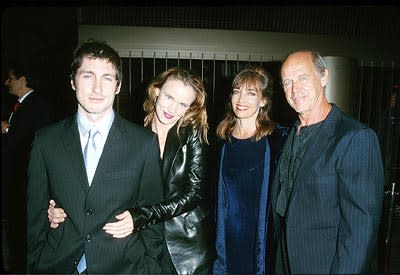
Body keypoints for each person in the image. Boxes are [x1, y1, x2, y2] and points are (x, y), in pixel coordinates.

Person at [47, 67, 216, 274]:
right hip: (145, 240)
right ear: (156, 91)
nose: (172, 108)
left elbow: (193, 194)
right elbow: (111, 186)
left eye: (183, 104)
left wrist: (141, 216)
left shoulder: (191, 133)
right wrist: (62, 206)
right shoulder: (136, 133)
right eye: (169, 97)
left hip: (182, 242)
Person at [26, 39, 164, 274]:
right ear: (72, 82)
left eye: (107, 78)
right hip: (58, 265)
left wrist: (152, 267)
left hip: (124, 267)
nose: (97, 88)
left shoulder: (143, 143)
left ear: (118, 86)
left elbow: (152, 218)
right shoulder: (45, 141)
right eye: (88, 76)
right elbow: (36, 217)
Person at [272, 50, 384, 274]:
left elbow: (360, 228)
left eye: (303, 77)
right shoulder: (289, 135)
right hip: (284, 261)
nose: (294, 89)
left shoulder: (354, 137)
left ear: (324, 77)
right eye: (287, 81)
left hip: (324, 265)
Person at [212, 67, 288, 274]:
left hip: (262, 237)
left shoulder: (279, 140)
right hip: (224, 238)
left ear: (263, 100)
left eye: (250, 93)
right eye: (237, 91)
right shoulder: (218, 141)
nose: (241, 99)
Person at [1, 65, 53, 273]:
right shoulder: (20, 105)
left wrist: (7, 129)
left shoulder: (36, 104)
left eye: (10, 78)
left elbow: (32, 140)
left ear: (23, 80)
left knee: (22, 224)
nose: (6, 82)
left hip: (25, 178)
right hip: (15, 176)